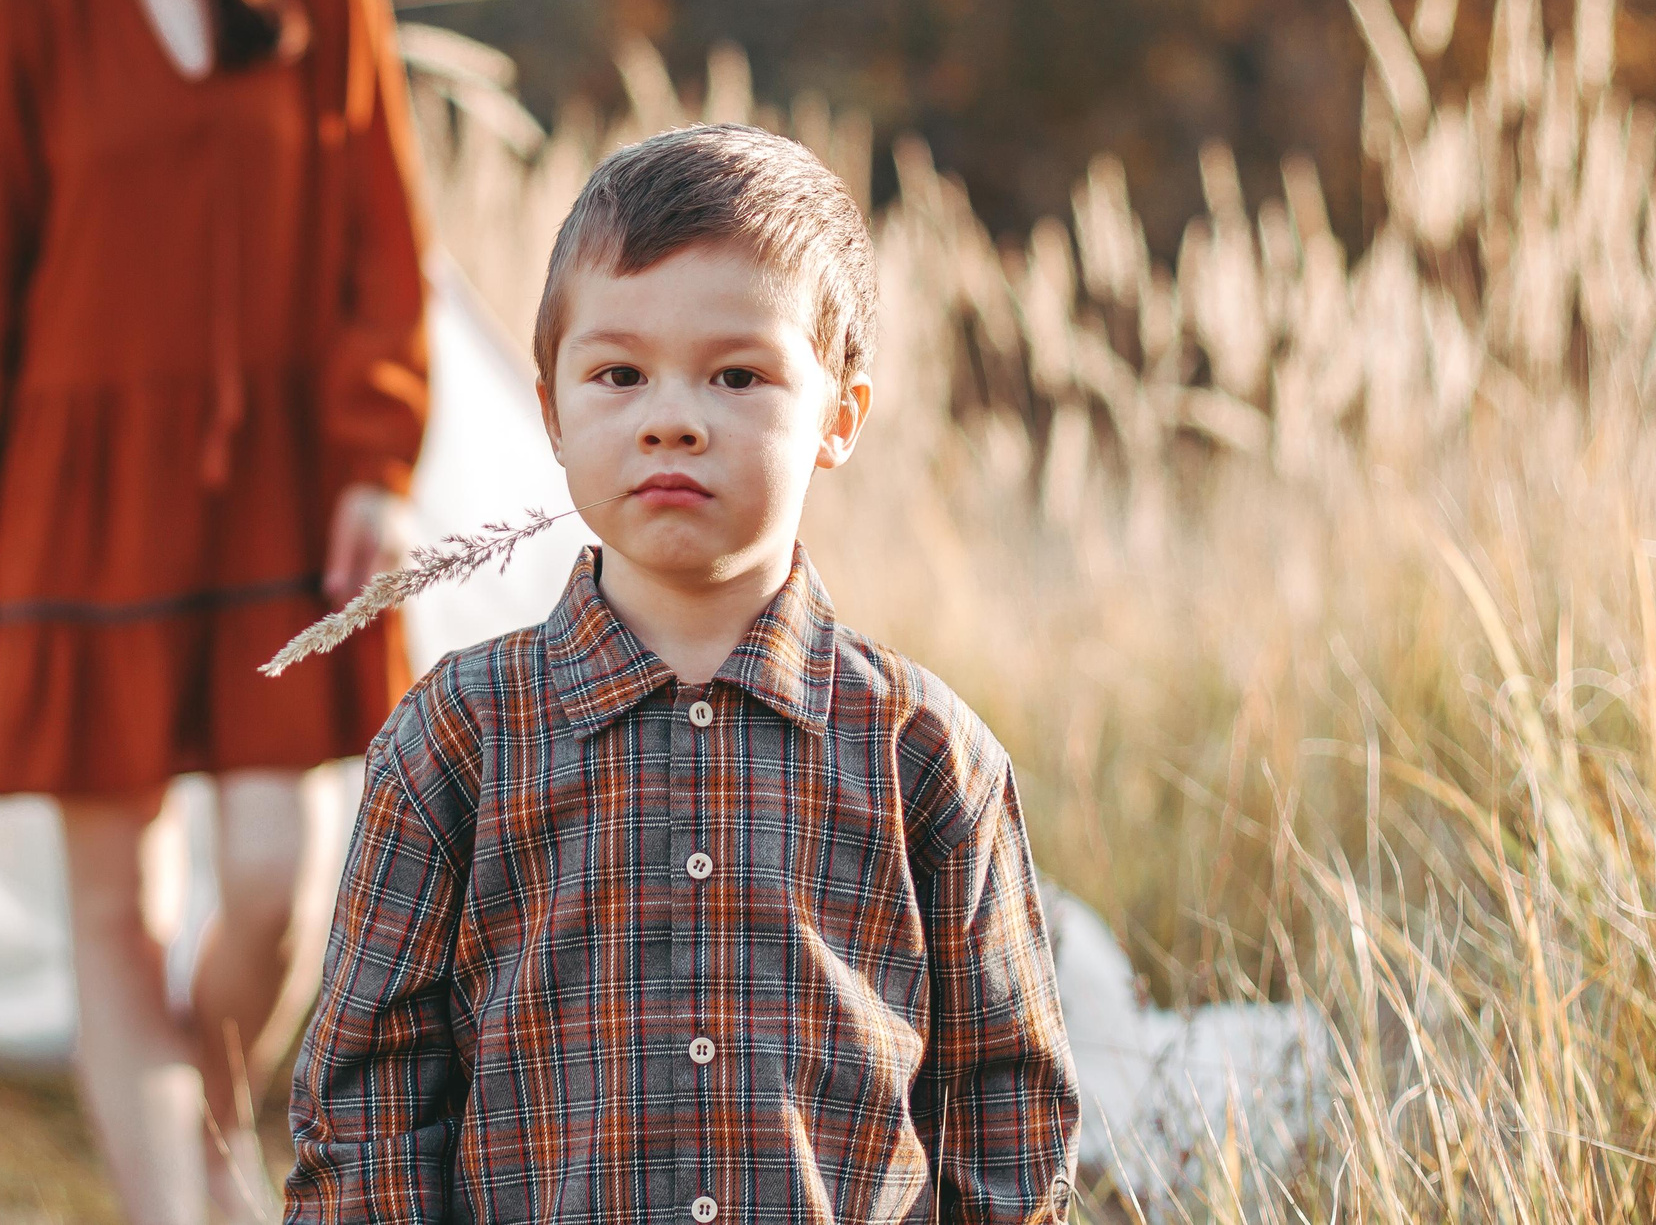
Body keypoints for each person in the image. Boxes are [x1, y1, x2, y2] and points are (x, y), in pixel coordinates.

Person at [282, 125, 1080, 1220]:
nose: (670, 418)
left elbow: (1006, 1111)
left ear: (837, 418)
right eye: (619, 374)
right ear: (551, 410)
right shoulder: (456, 737)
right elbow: (366, 1099)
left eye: (737, 375)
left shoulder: (924, 756)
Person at [0, 0, 431, 1225]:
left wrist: (373, 456)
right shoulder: (31, 22)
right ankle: (180, 1201)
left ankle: (191, 1125)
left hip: (281, 483)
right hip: (73, 498)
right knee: (112, 904)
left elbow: (381, 250)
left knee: (282, 871)